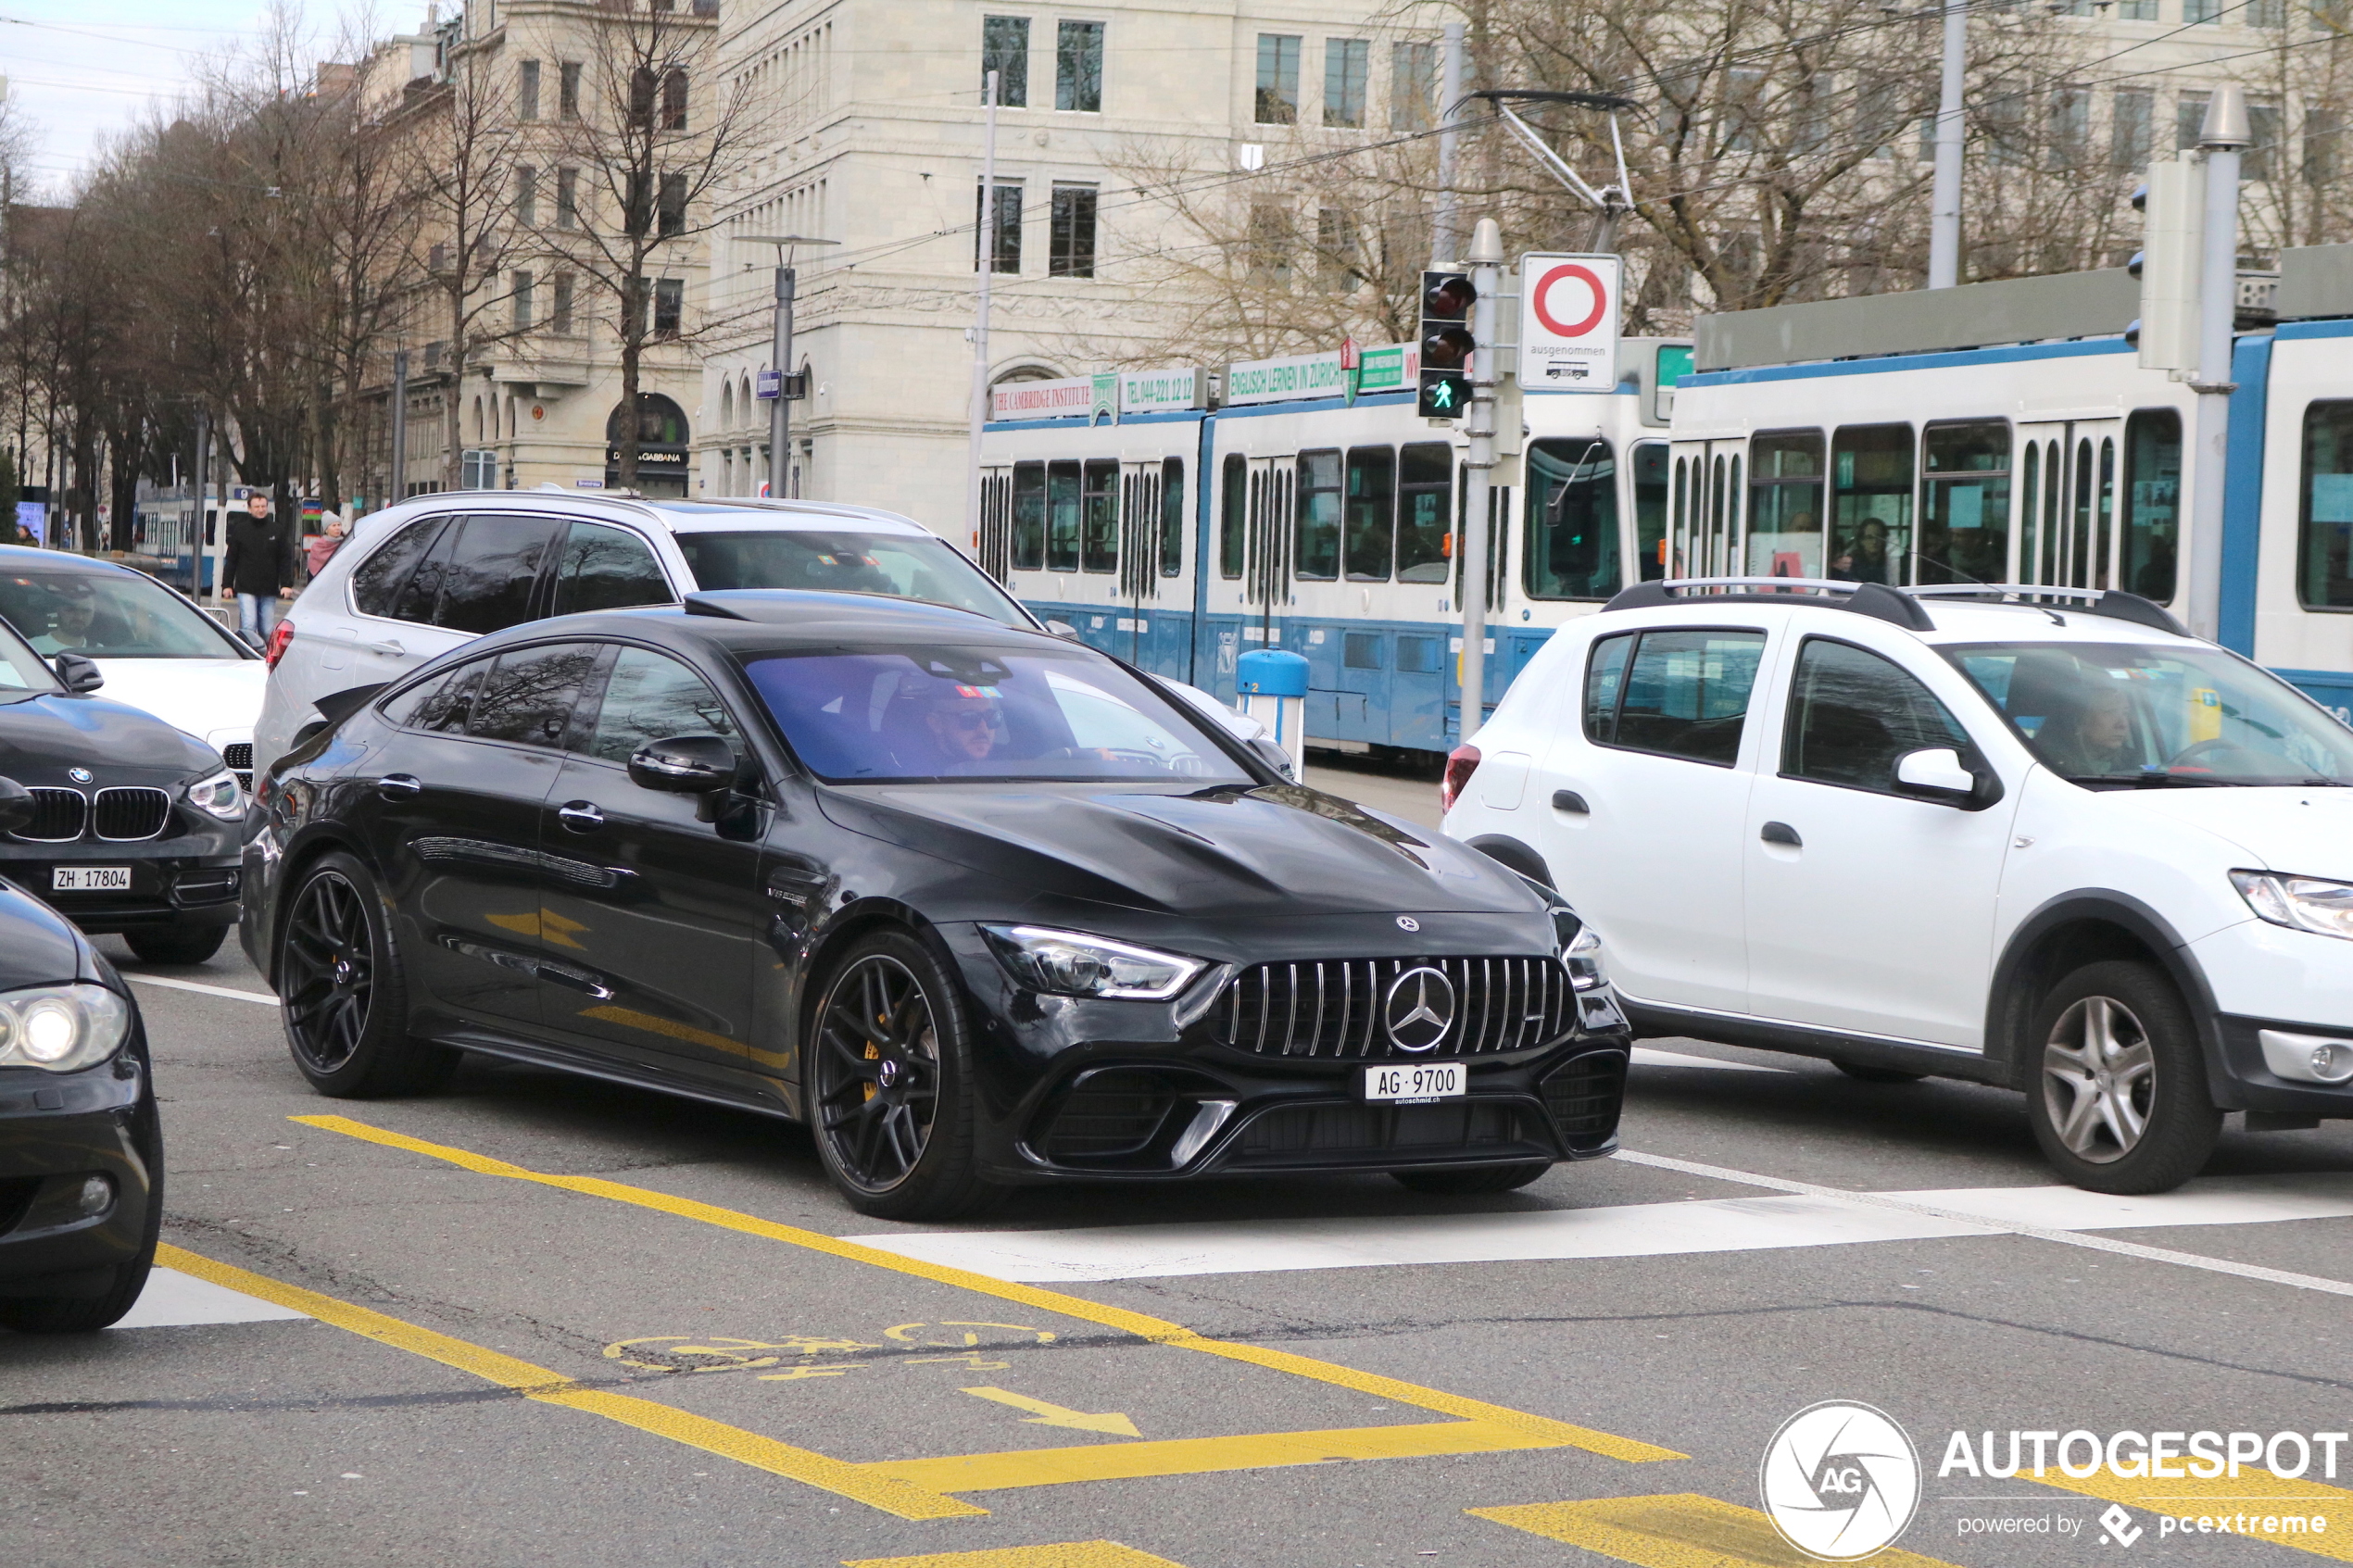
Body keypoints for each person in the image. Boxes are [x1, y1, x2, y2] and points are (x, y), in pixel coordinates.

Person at [222, 492, 295, 647]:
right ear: (249, 509)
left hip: (269, 588)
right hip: (246, 587)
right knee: (249, 625)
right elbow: (231, 559)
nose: (260, 510)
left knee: (267, 630)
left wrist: (286, 584)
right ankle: (247, 656)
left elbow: (285, 559)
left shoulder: (277, 531)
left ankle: (266, 659)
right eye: (257, 507)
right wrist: (227, 585)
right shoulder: (240, 531)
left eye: (263, 506)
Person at [2037, 681, 2139, 777]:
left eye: (2125, 713)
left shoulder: (2136, 762)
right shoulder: (2048, 765)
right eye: (2110, 712)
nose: (2122, 724)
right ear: (2080, 719)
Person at [305, 511, 349, 580]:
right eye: (334, 525)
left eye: (339, 525)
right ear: (326, 530)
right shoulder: (318, 545)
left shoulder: (346, 542)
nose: (337, 528)